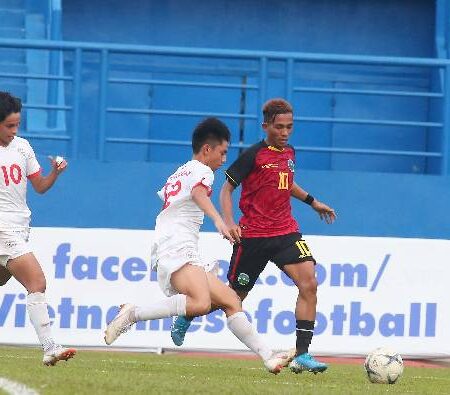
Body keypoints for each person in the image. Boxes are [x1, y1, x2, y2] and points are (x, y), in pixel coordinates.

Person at [104, 117, 293, 373]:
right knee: (201, 303)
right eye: (222, 152)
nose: (224, 159)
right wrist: (219, 221)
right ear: (207, 149)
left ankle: (268, 356)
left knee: (230, 301)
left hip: (176, 245)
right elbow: (197, 194)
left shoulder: (181, 170)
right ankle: (133, 313)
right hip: (176, 246)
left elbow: (171, 199)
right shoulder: (203, 172)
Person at [171, 98, 336, 374]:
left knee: (309, 282)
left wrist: (312, 201)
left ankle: (303, 353)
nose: (285, 132)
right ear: (266, 126)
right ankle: (189, 313)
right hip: (254, 237)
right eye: (279, 127)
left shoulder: (290, 153)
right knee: (233, 299)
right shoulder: (253, 155)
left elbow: (286, 181)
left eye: (289, 127)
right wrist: (229, 222)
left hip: (285, 231)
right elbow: (227, 189)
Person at [0, 91, 76, 366]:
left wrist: (55, 172)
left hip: (20, 228)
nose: (14, 130)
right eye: (9, 125)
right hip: (2, 228)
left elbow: (40, 187)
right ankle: (50, 347)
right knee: (37, 282)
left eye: (16, 124)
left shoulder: (22, 147)